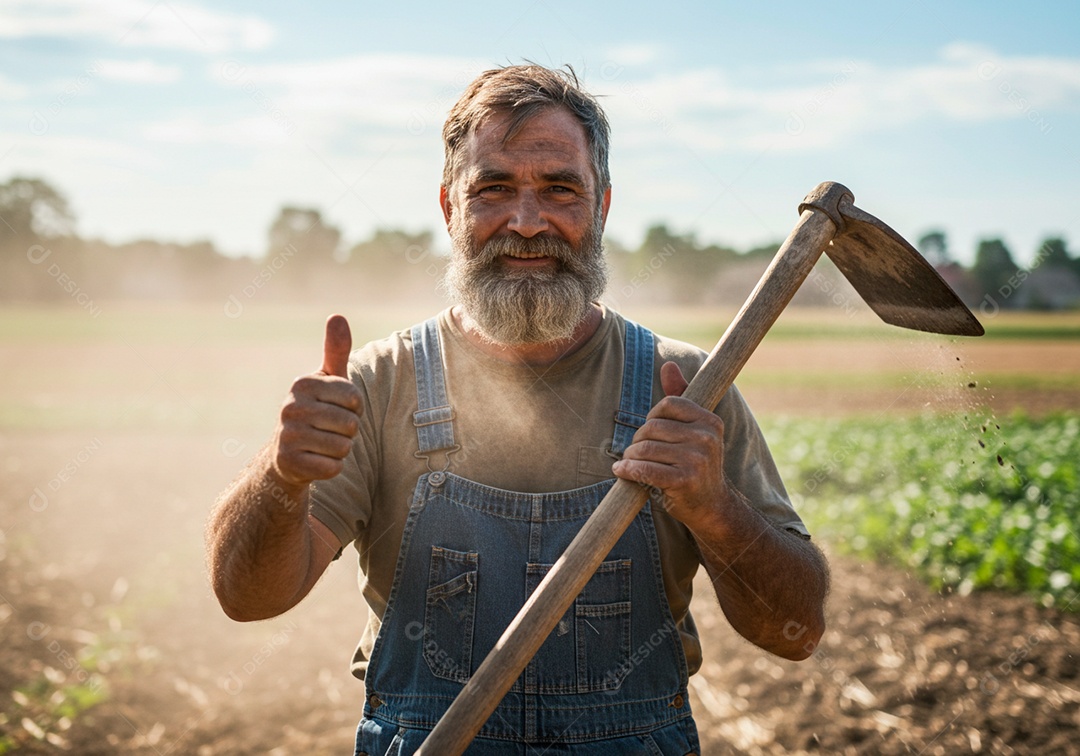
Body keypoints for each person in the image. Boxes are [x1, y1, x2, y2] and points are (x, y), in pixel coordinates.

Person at [206, 64, 828, 755]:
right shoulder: (376, 386)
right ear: (449, 208)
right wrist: (282, 478)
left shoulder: (687, 391)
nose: (527, 223)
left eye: (560, 189)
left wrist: (714, 507)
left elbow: (794, 630)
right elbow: (247, 597)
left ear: (602, 206)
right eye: (493, 189)